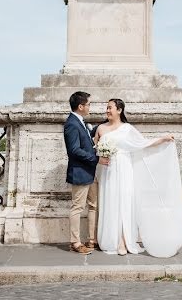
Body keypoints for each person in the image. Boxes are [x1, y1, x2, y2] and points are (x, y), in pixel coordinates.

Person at [94, 98, 182, 257]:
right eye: (107, 108)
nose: (107, 110)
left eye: (110, 108)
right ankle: (111, 238)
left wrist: (163, 139)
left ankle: (123, 240)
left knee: (125, 202)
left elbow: (142, 143)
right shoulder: (101, 128)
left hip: (124, 168)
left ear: (119, 110)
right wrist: (100, 156)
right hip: (108, 170)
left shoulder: (128, 128)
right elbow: (94, 149)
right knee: (111, 202)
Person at [63, 90, 109, 254]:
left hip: (89, 172)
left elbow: (87, 137)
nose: (90, 107)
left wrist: (107, 122)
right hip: (80, 172)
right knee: (77, 207)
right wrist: (96, 159)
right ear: (81, 106)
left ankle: (92, 240)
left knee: (93, 206)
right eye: (89, 104)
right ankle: (75, 242)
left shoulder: (79, 122)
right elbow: (74, 150)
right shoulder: (71, 124)